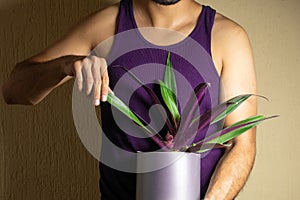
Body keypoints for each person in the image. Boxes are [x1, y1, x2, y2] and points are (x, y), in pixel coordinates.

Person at [2, 0, 257, 199]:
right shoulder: (105, 26)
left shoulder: (227, 37)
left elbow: (241, 145)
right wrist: (67, 65)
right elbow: (14, 90)